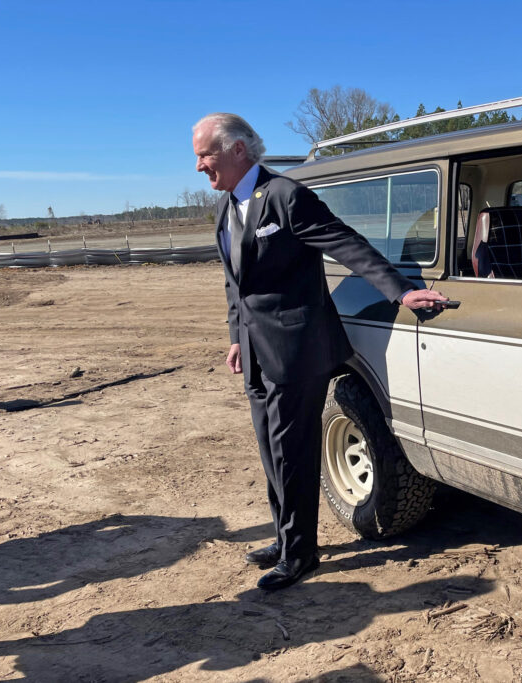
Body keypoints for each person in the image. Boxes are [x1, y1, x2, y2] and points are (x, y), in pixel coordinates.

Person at [192, 113, 447, 590]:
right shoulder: (227, 208)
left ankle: (300, 555)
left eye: (205, 154)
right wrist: (234, 336)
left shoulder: (285, 196)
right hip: (254, 350)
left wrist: (400, 291)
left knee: (293, 450)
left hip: (295, 347)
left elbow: (343, 242)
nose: (199, 166)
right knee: (271, 451)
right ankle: (286, 537)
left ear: (238, 150)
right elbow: (235, 285)